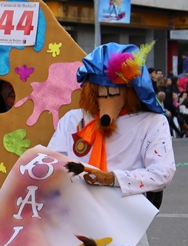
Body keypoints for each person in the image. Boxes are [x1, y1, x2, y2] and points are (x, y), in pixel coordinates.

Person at [48, 42, 176, 208]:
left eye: (114, 94)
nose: (107, 102)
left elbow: (162, 172)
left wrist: (113, 178)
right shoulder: (72, 119)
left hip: (124, 213)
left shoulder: (151, 122)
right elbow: (52, 162)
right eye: (100, 94)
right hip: (73, 209)